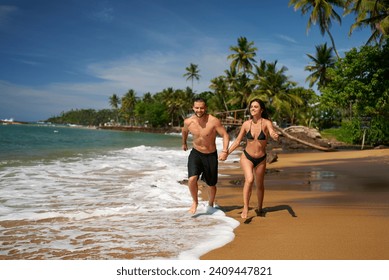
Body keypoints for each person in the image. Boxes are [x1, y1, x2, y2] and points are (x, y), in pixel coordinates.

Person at [224, 99, 279, 219]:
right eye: (251, 107)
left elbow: (271, 131)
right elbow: (238, 141)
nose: (253, 108)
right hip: (247, 157)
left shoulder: (266, 123)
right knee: (249, 180)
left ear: (261, 109)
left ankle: (259, 208)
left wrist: (274, 135)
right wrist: (226, 153)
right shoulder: (246, 124)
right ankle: (245, 208)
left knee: (259, 184)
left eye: (256, 107)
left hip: (261, 158)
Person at [182, 97, 229, 214]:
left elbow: (225, 135)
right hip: (196, 153)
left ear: (205, 108)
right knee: (192, 179)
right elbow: (184, 131)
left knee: (211, 184)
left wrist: (225, 151)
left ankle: (210, 204)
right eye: (197, 108)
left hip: (210, 155)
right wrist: (184, 142)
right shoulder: (188, 122)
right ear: (193, 108)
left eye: (201, 108)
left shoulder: (213, 121)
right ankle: (195, 202)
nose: (199, 110)